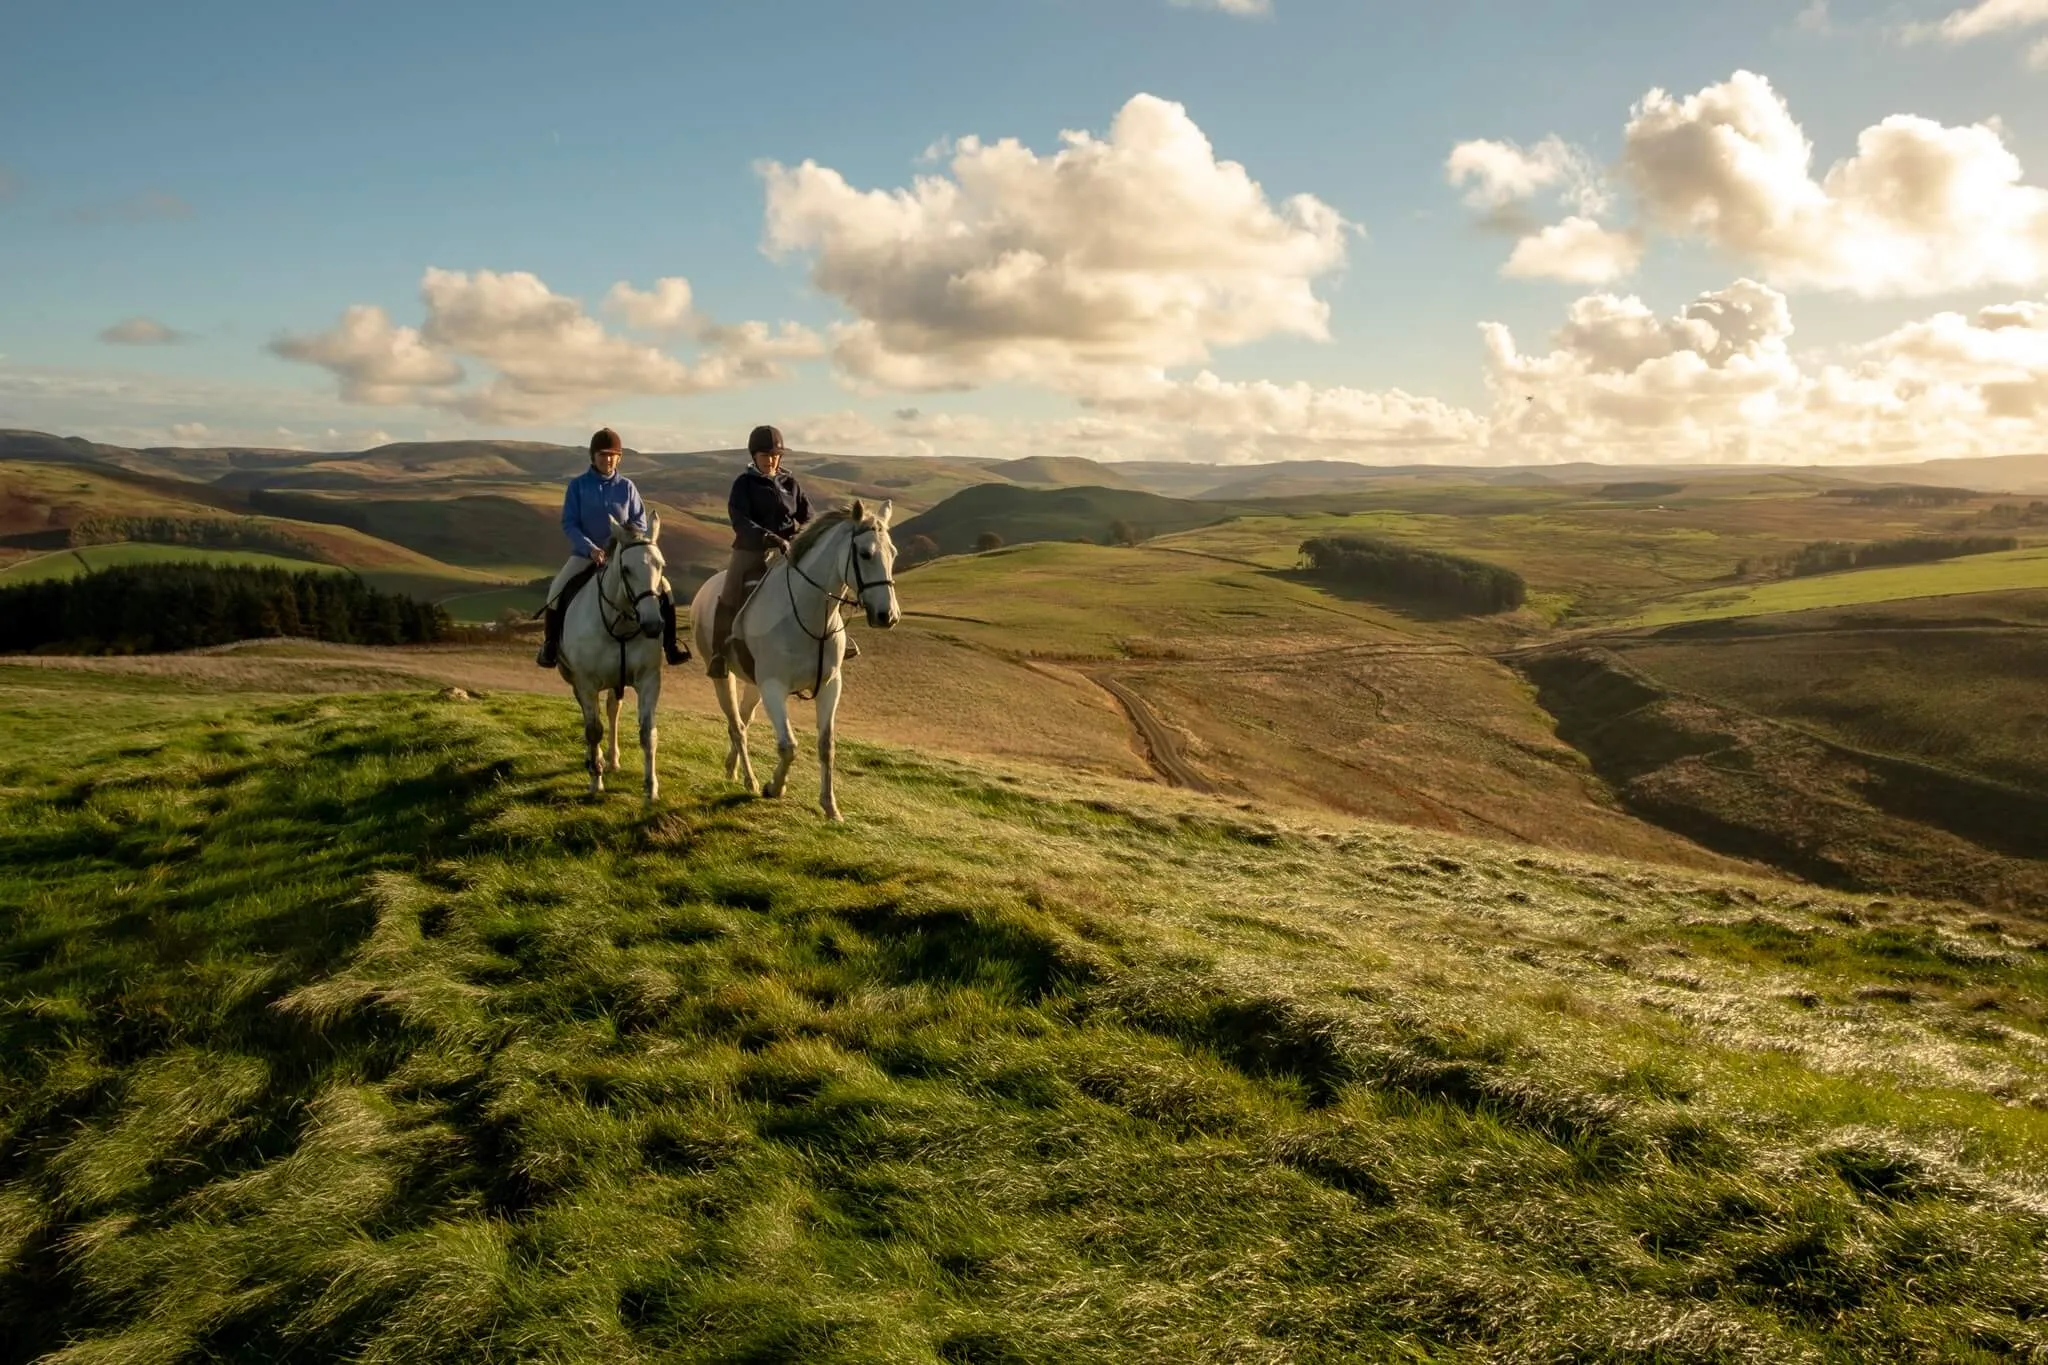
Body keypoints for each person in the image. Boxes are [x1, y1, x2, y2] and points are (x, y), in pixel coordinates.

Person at [707, 424, 854, 677]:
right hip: (751, 550)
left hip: (789, 549)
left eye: (775, 456)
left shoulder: (790, 483)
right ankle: (719, 653)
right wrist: (767, 537)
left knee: (825, 582)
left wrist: (802, 536)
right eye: (765, 456)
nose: (771, 461)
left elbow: (808, 516)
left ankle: (837, 637)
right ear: (754, 456)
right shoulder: (744, 484)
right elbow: (740, 519)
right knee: (730, 593)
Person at [535, 427, 689, 668]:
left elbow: (639, 520)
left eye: (612, 455)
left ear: (619, 458)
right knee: (557, 589)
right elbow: (570, 523)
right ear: (593, 457)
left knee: (664, 589)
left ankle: (670, 646)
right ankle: (550, 645)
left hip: (623, 555)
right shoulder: (578, 486)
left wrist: (625, 540)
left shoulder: (627, 487)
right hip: (587, 556)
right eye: (602, 455)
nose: (608, 459)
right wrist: (591, 549)